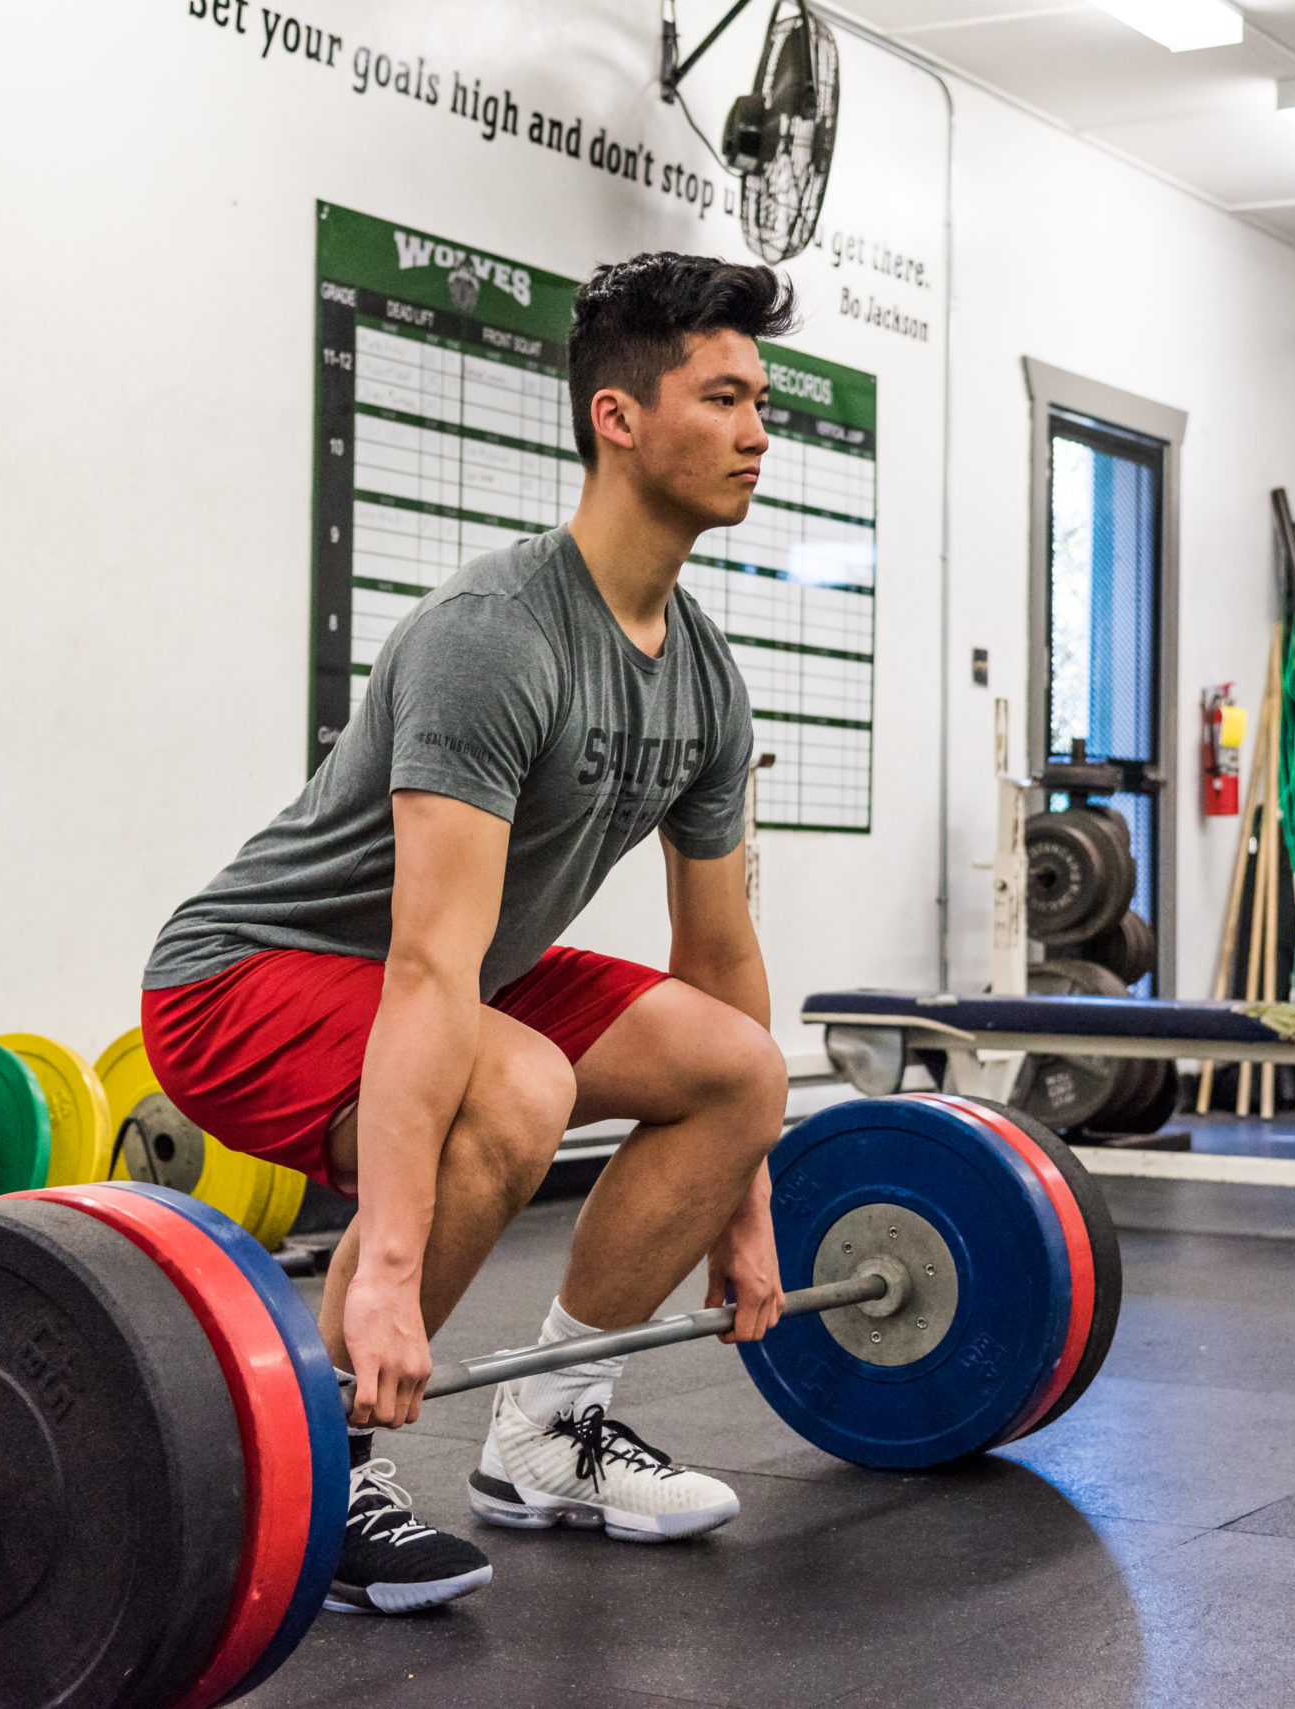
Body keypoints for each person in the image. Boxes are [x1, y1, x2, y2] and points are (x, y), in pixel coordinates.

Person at [141, 251, 801, 1616]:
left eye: (761, 402)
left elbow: (722, 963)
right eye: (725, 398)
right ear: (617, 419)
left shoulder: (709, 678)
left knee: (737, 1064)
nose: (757, 433)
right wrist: (385, 1271)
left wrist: (749, 1203)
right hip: (240, 980)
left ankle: (550, 1434)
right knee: (517, 1083)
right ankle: (323, 1469)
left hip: (451, 974)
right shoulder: (494, 636)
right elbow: (429, 963)